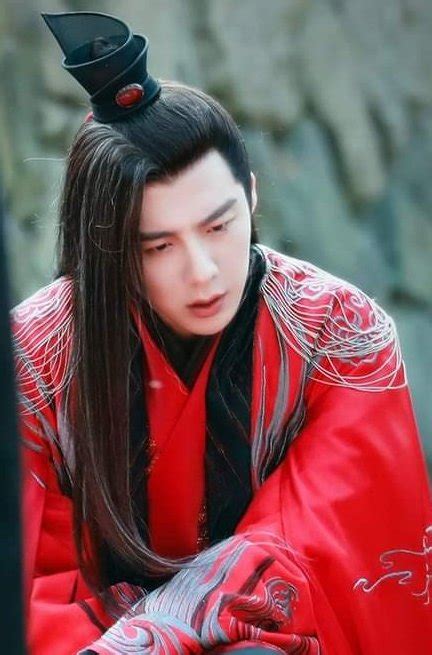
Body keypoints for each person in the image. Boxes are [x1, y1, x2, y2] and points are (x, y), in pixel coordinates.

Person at [11, 10, 432, 655]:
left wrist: (166, 632)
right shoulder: (34, 363)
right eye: (158, 246)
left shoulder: (337, 332)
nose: (203, 271)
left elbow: (324, 551)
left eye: (219, 225)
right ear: (108, 249)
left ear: (252, 195)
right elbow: (30, 592)